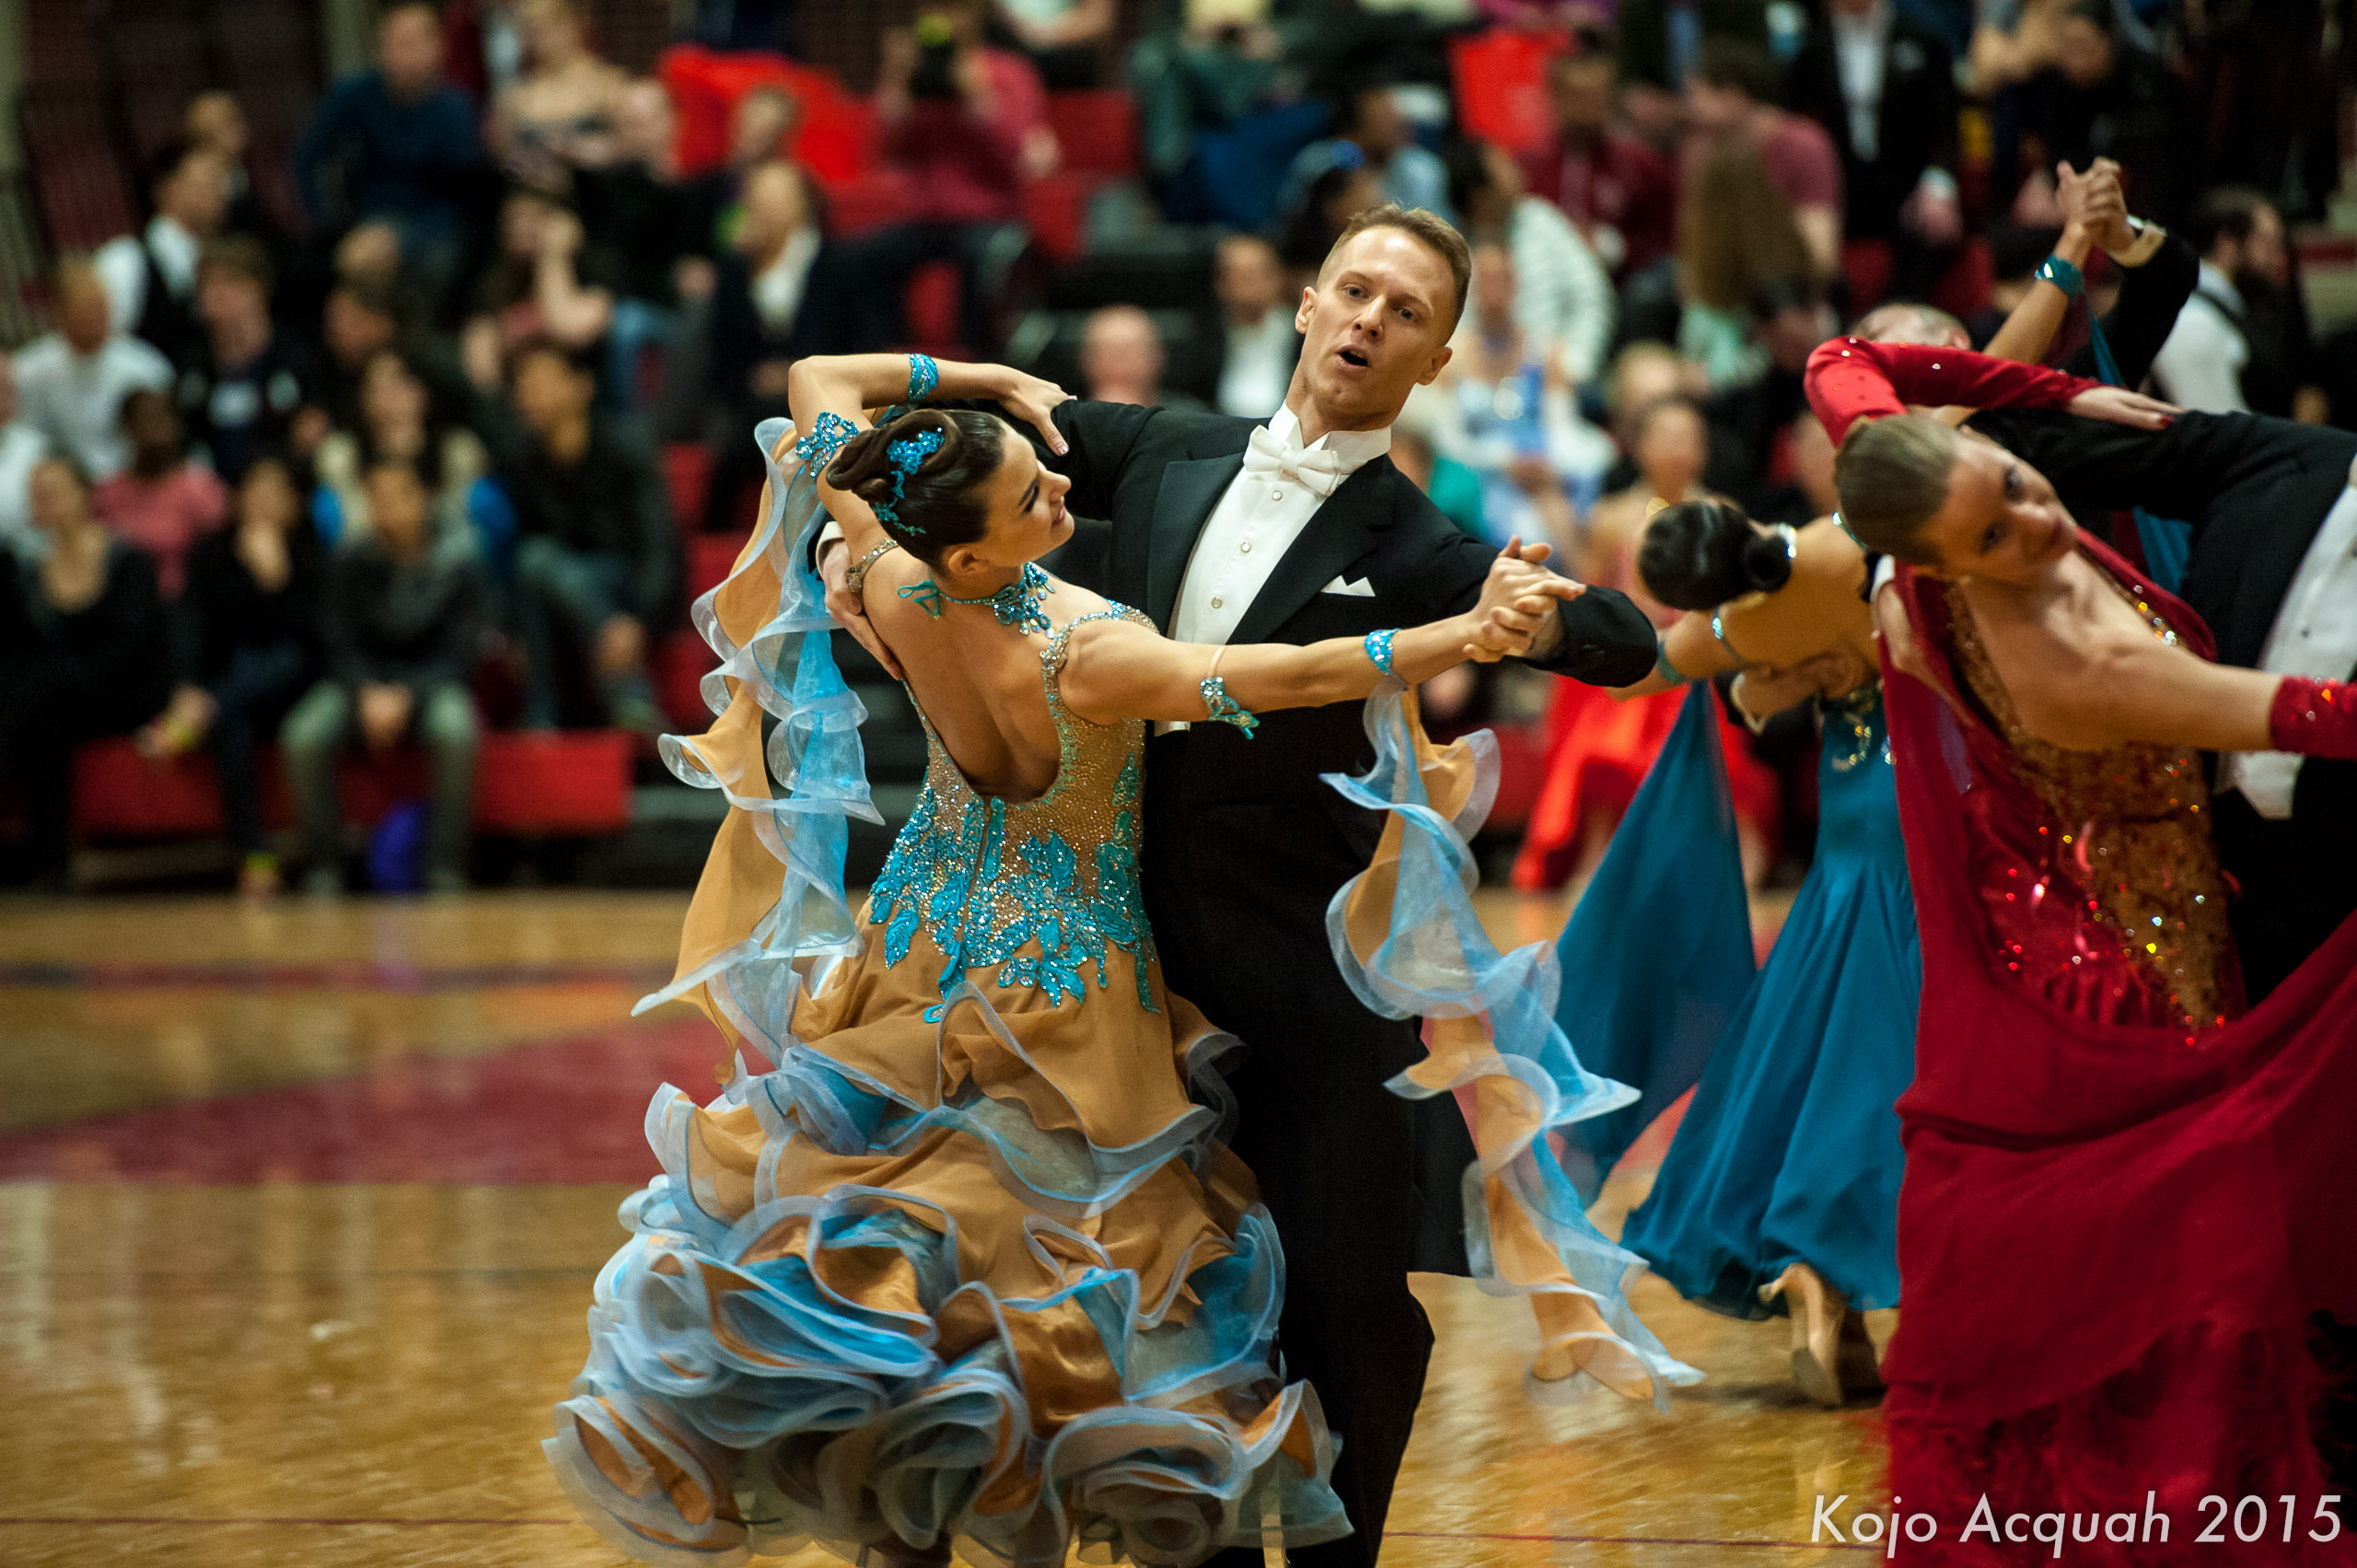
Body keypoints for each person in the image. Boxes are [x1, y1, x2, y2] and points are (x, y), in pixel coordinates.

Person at [545, 339, 1673, 1567]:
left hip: (915, 960)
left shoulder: (885, 567)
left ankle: (903, 1523)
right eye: (1033, 495)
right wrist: (1459, 633)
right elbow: (1291, 672)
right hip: (1065, 991)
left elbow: (816, 379)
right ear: (974, 554)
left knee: (894, 1272)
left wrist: (977, 383)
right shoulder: (1081, 650)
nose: (1062, 492)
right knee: (1055, 1290)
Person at [818, 208, 1670, 1568]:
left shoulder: (1414, 537)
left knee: (1347, 1301)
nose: (1370, 320)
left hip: (1302, 981)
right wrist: (981, 383)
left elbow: (1624, 648)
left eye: (1405, 311)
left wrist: (1545, 607)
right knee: (1160, 1299)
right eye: (1355, 289)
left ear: (1437, 358)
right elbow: (899, 447)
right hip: (1122, 967)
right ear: (1306, 303)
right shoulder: (1164, 445)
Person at [1811, 333, 2357, 1560]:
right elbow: (2306, 715)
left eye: (2014, 482)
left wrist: (2051, 392)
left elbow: (1840, 361)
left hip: (2081, 905)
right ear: (1941, 566)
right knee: (2174, 1295)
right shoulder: (2070, 660)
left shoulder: (1910, 487)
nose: (2036, 520)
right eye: (1992, 535)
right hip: (2127, 972)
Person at [1507, 393, 1773, 889]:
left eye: (1687, 439)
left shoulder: (1724, 514)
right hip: (1633, 653)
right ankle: (1600, 850)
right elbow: (1589, 594)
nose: (1676, 450)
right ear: (1640, 447)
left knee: (1710, 728)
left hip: (1704, 654)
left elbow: (1743, 599)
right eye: (1665, 438)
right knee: (1612, 726)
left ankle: (1738, 848)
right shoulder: (1614, 516)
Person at [283, 457, 486, 896]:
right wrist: (366, 692)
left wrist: (409, 694)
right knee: (304, 733)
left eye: (397, 497)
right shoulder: (350, 559)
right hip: (361, 686)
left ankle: (445, 869)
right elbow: (338, 643)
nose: (387, 509)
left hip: (432, 685)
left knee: (456, 728)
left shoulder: (461, 559)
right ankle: (324, 869)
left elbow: (460, 653)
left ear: (423, 498)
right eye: (376, 499)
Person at [137, 454, 323, 900]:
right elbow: (192, 628)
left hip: (293, 688)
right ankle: (254, 857)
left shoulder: (312, 554)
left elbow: (315, 639)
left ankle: (195, 717)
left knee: (285, 659)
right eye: (256, 489)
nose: (264, 501)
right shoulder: (212, 553)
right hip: (231, 688)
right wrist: (186, 685)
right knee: (234, 729)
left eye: (276, 491)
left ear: (296, 503)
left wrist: (276, 579)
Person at [482, 339, 676, 732]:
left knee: (540, 561)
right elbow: (515, 554)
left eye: (540, 382)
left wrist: (639, 620)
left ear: (581, 386)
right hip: (557, 596)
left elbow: (660, 546)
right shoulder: (524, 461)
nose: (527, 397)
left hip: (626, 583)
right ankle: (570, 714)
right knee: (536, 564)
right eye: (522, 386)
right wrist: (511, 630)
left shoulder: (626, 447)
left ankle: (556, 713)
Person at [0, 457, 172, 887]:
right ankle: (49, 863)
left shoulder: (127, 559)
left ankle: (45, 861)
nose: (44, 501)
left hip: (124, 693)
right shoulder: (25, 568)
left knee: (36, 699)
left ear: (84, 494)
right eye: (36, 495)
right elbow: (20, 648)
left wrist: (59, 677)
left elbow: (133, 649)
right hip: (53, 701)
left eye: (54, 490)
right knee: (40, 712)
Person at [874, 0, 1059, 356]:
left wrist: (976, 96)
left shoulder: (1008, 72)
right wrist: (897, 82)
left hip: (991, 217)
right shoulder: (915, 73)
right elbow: (887, 148)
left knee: (985, 260)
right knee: (859, 260)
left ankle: (975, 367)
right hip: (924, 221)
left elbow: (1016, 156)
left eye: (953, 9)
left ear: (974, 14)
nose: (943, 18)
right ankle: (883, 364)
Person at [701, 157, 865, 528]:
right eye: (757, 200)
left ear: (803, 204)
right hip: (749, 401)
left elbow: (861, 343)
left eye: (775, 199)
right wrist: (751, 379)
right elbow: (721, 352)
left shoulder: (841, 264)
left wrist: (799, 373)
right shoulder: (735, 270)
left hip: (825, 398)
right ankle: (718, 540)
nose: (764, 209)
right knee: (734, 434)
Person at [295, 0, 487, 311]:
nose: (398, 56)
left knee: (440, 263)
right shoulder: (353, 94)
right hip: (364, 220)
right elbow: (308, 158)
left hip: (429, 225)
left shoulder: (456, 110)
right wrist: (328, 224)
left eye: (409, 44)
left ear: (437, 47)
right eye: (389, 44)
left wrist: (402, 241)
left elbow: (461, 200)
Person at [1425, 242, 1612, 549]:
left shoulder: (1544, 352)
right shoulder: (1451, 358)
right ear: (1471, 289)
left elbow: (1562, 427)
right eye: (1486, 281)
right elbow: (1449, 440)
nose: (1494, 291)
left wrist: (1544, 465)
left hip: (1539, 467)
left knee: (1583, 477)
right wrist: (1503, 463)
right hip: (1480, 472)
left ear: (1516, 285)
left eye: (1503, 279)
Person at [1786, 0, 1961, 297]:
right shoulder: (1810, 49)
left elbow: (1945, 123)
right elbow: (1798, 126)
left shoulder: (1922, 40)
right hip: (1839, 182)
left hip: (1906, 181)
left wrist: (1938, 183)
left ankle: (1904, 313)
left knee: (1929, 224)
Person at [1446, 140, 1614, 389]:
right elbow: (1450, 333)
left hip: (1557, 376)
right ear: (1478, 194)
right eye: (1503, 167)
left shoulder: (1543, 221)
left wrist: (1574, 366)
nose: (1516, 172)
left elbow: (1592, 295)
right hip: (1472, 383)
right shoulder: (1450, 250)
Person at [2149, 186, 2316, 420]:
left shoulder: (2236, 309)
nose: (2279, 259)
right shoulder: (2193, 321)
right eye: (2267, 244)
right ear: (2227, 244)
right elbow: (2217, 430)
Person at [1683, 39, 1842, 281]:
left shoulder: (1804, 145)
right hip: (1721, 286)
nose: (1691, 110)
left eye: (1696, 96)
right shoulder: (1701, 151)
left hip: (1789, 284)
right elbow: (1692, 250)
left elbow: (1820, 256)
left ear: (1732, 98)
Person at [1522, 48, 1679, 281]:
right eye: (1577, 96)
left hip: (1624, 286)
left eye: (1595, 97)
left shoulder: (1642, 167)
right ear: (1556, 97)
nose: (1586, 108)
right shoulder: (1528, 167)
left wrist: (1616, 247)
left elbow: (1665, 241)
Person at [313, 347, 491, 551]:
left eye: (398, 384)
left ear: (422, 391)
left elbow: (465, 527)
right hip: (372, 556)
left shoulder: (457, 450)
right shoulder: (340, 457)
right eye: (376, 389)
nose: (388, 399)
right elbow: (349, 534)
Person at [1672, 139, 1816, 390]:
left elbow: (1790, 361)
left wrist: (1710, 381)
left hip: (1759, 402)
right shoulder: (1702, 266)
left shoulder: (1778, 279)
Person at [180, 237, 326, 484]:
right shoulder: (192, 366)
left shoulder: (297, 360)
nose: (217, 295)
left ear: (261, 287)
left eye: (230, 282)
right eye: (207, 285)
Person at [13, 262, 174, 482]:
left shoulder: (145, 368)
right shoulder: (30, 371)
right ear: (60, 314)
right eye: (84, 313)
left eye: (100, 310)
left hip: (134, 482)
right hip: (67, 483)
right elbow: (27, 439)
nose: (94, 322)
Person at [95, 138, 233, 375]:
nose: (221, 193)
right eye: (208, 183)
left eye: (221, 183)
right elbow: (103, 350)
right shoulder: (126, 262)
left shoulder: (229, 257)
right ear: (168, 189)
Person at [459, 187, 615, 395]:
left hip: (584, 395)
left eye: (532, 218)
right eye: (513, 219)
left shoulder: (592, 268)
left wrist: (553, 256)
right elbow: (482, 373)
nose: (520, 227)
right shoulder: (493, 282)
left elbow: (566, 328)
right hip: (517, 400)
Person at [90, 389, 227, 603]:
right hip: (120, 604)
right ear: (127, 427)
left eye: (165, 417)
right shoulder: (107, 494)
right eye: (147, 419)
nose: (157, 429)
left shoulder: (201, 488)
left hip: (185, 603)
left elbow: (219, 560)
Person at [489, 0, 630, 193]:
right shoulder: (517, 93)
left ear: (573, 26)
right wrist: (526, 167)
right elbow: (504, 161)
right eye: (532, 30)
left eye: (549, 27)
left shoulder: (607, 83)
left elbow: (628, 149)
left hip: (597, 195)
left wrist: (580, 151)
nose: (541, 39)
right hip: (535, 196)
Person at [1279, 84, 1453, 227]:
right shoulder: (1319, 162)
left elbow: (1439, 229)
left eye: (1396, 117)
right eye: (1385, 119)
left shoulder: (1420, 169)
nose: (1399, 126)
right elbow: (1292, 220)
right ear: (1353, 129)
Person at [1211, 232, 1299, 420]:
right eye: (1236, 276)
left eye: (1253, 275)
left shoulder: (1302, 333)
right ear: (1220, 283)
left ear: (1278, 277)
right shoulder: (1205, 336)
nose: (1246, 286)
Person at [1076, 304, 1200, 411]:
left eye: (1130, 353)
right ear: (1086, 361)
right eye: (1110, 354)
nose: (1121, 365)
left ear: (1157, 358)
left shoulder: (1188, 418)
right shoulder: (1068, 419)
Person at [0, 354, 51, 563]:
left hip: (27, 563)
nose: (8, 395)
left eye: (10, 386)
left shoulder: (36, 447)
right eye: (1, 387)